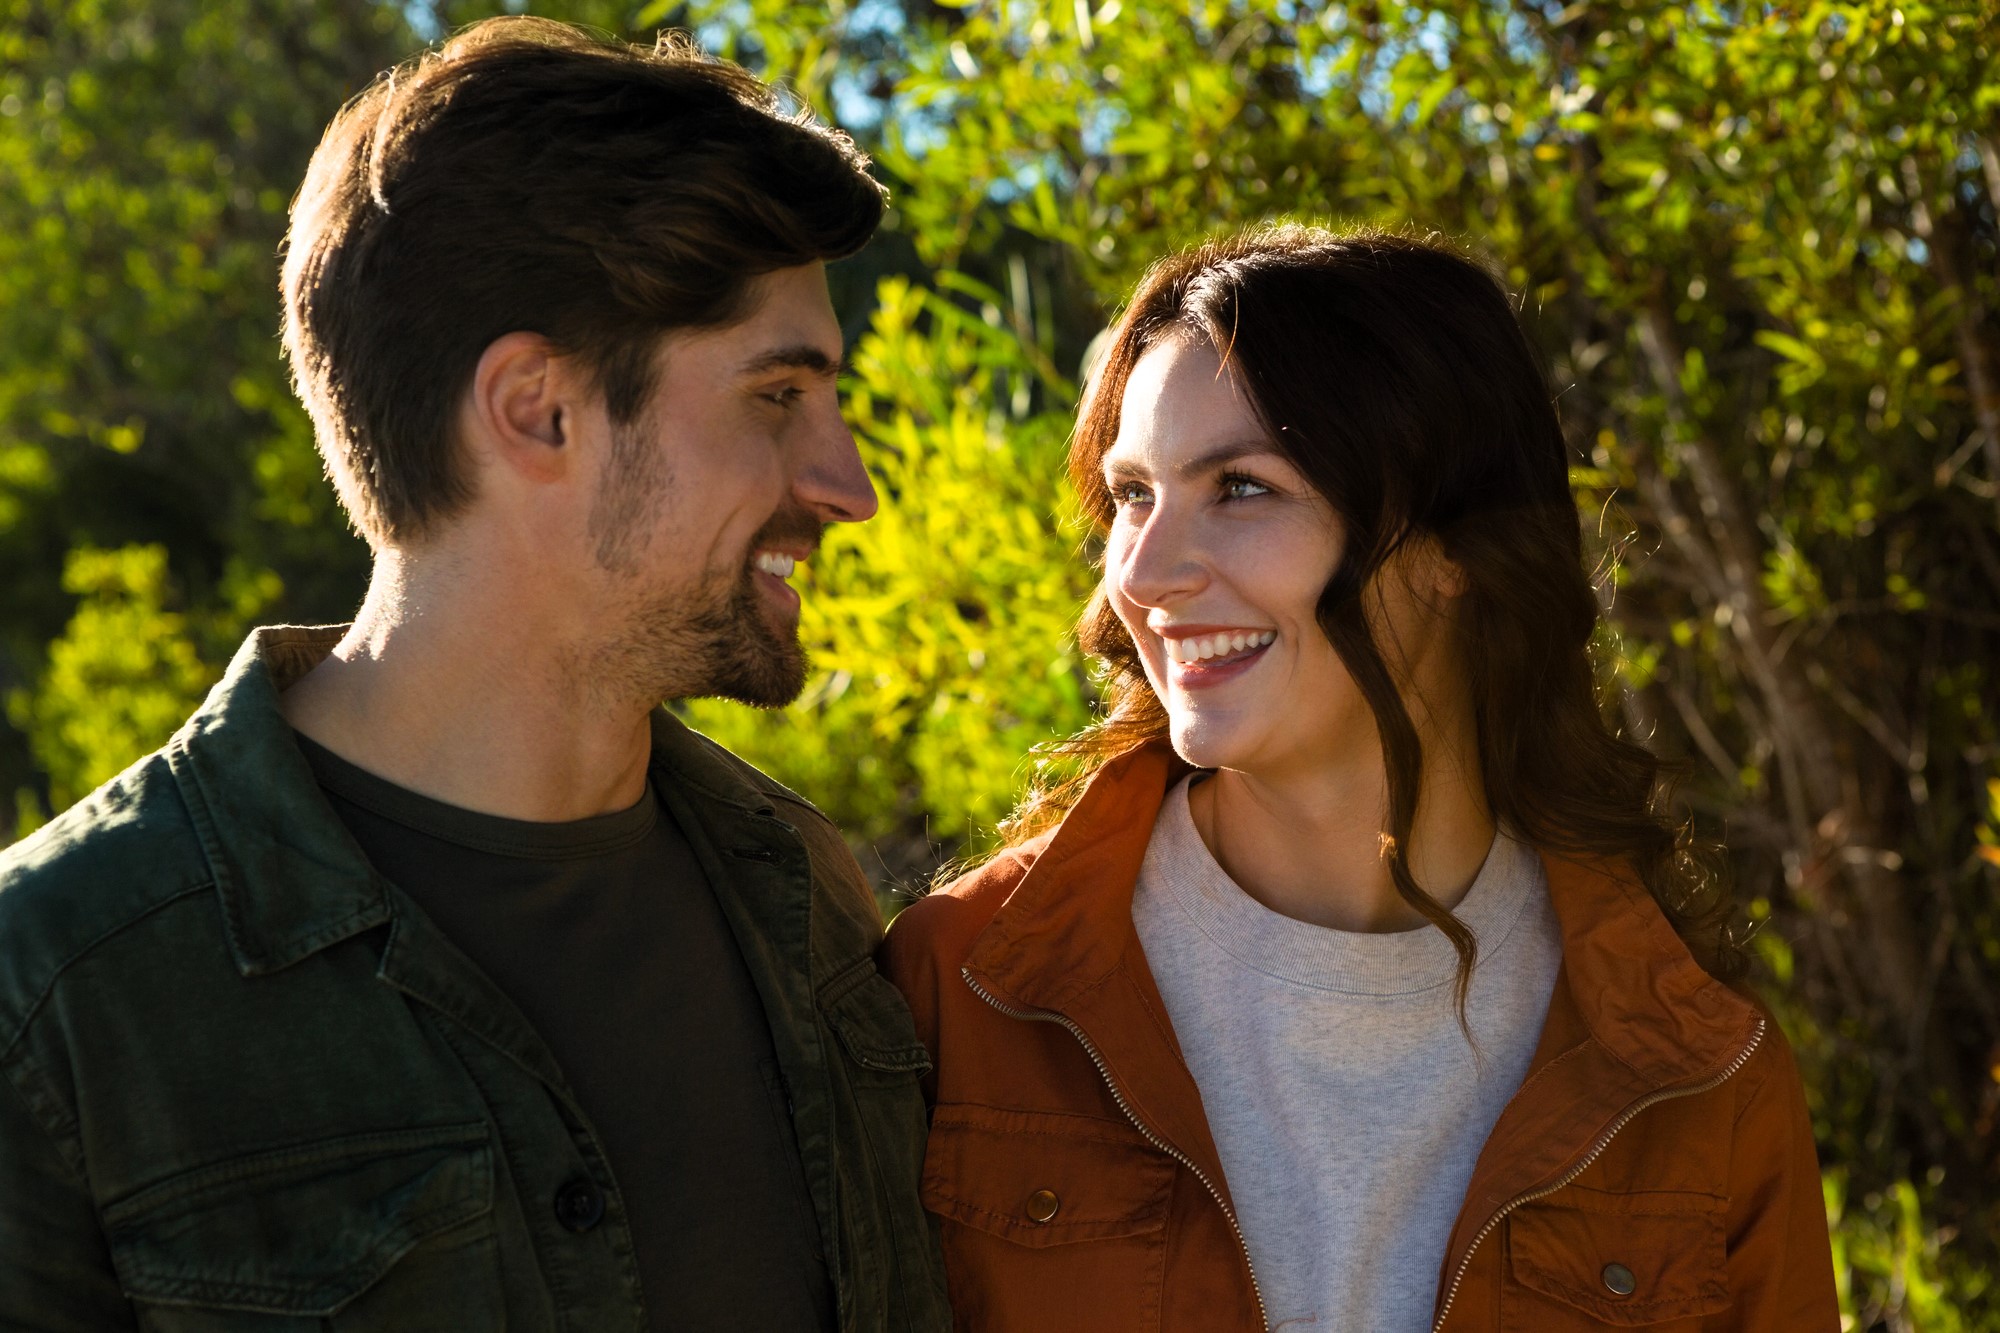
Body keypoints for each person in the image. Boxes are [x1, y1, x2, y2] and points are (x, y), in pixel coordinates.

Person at [0, 18, 948, 1331]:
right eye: (777, 398)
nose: (849, 487)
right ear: (536, 412)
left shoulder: (807, 900)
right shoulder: (51, 991)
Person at [880, 225, 1839, 1331]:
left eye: (1239, 487)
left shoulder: (1695, 1073)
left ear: (1454, 548)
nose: (1141, 576)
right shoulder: (960, 985)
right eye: (1133, 494)